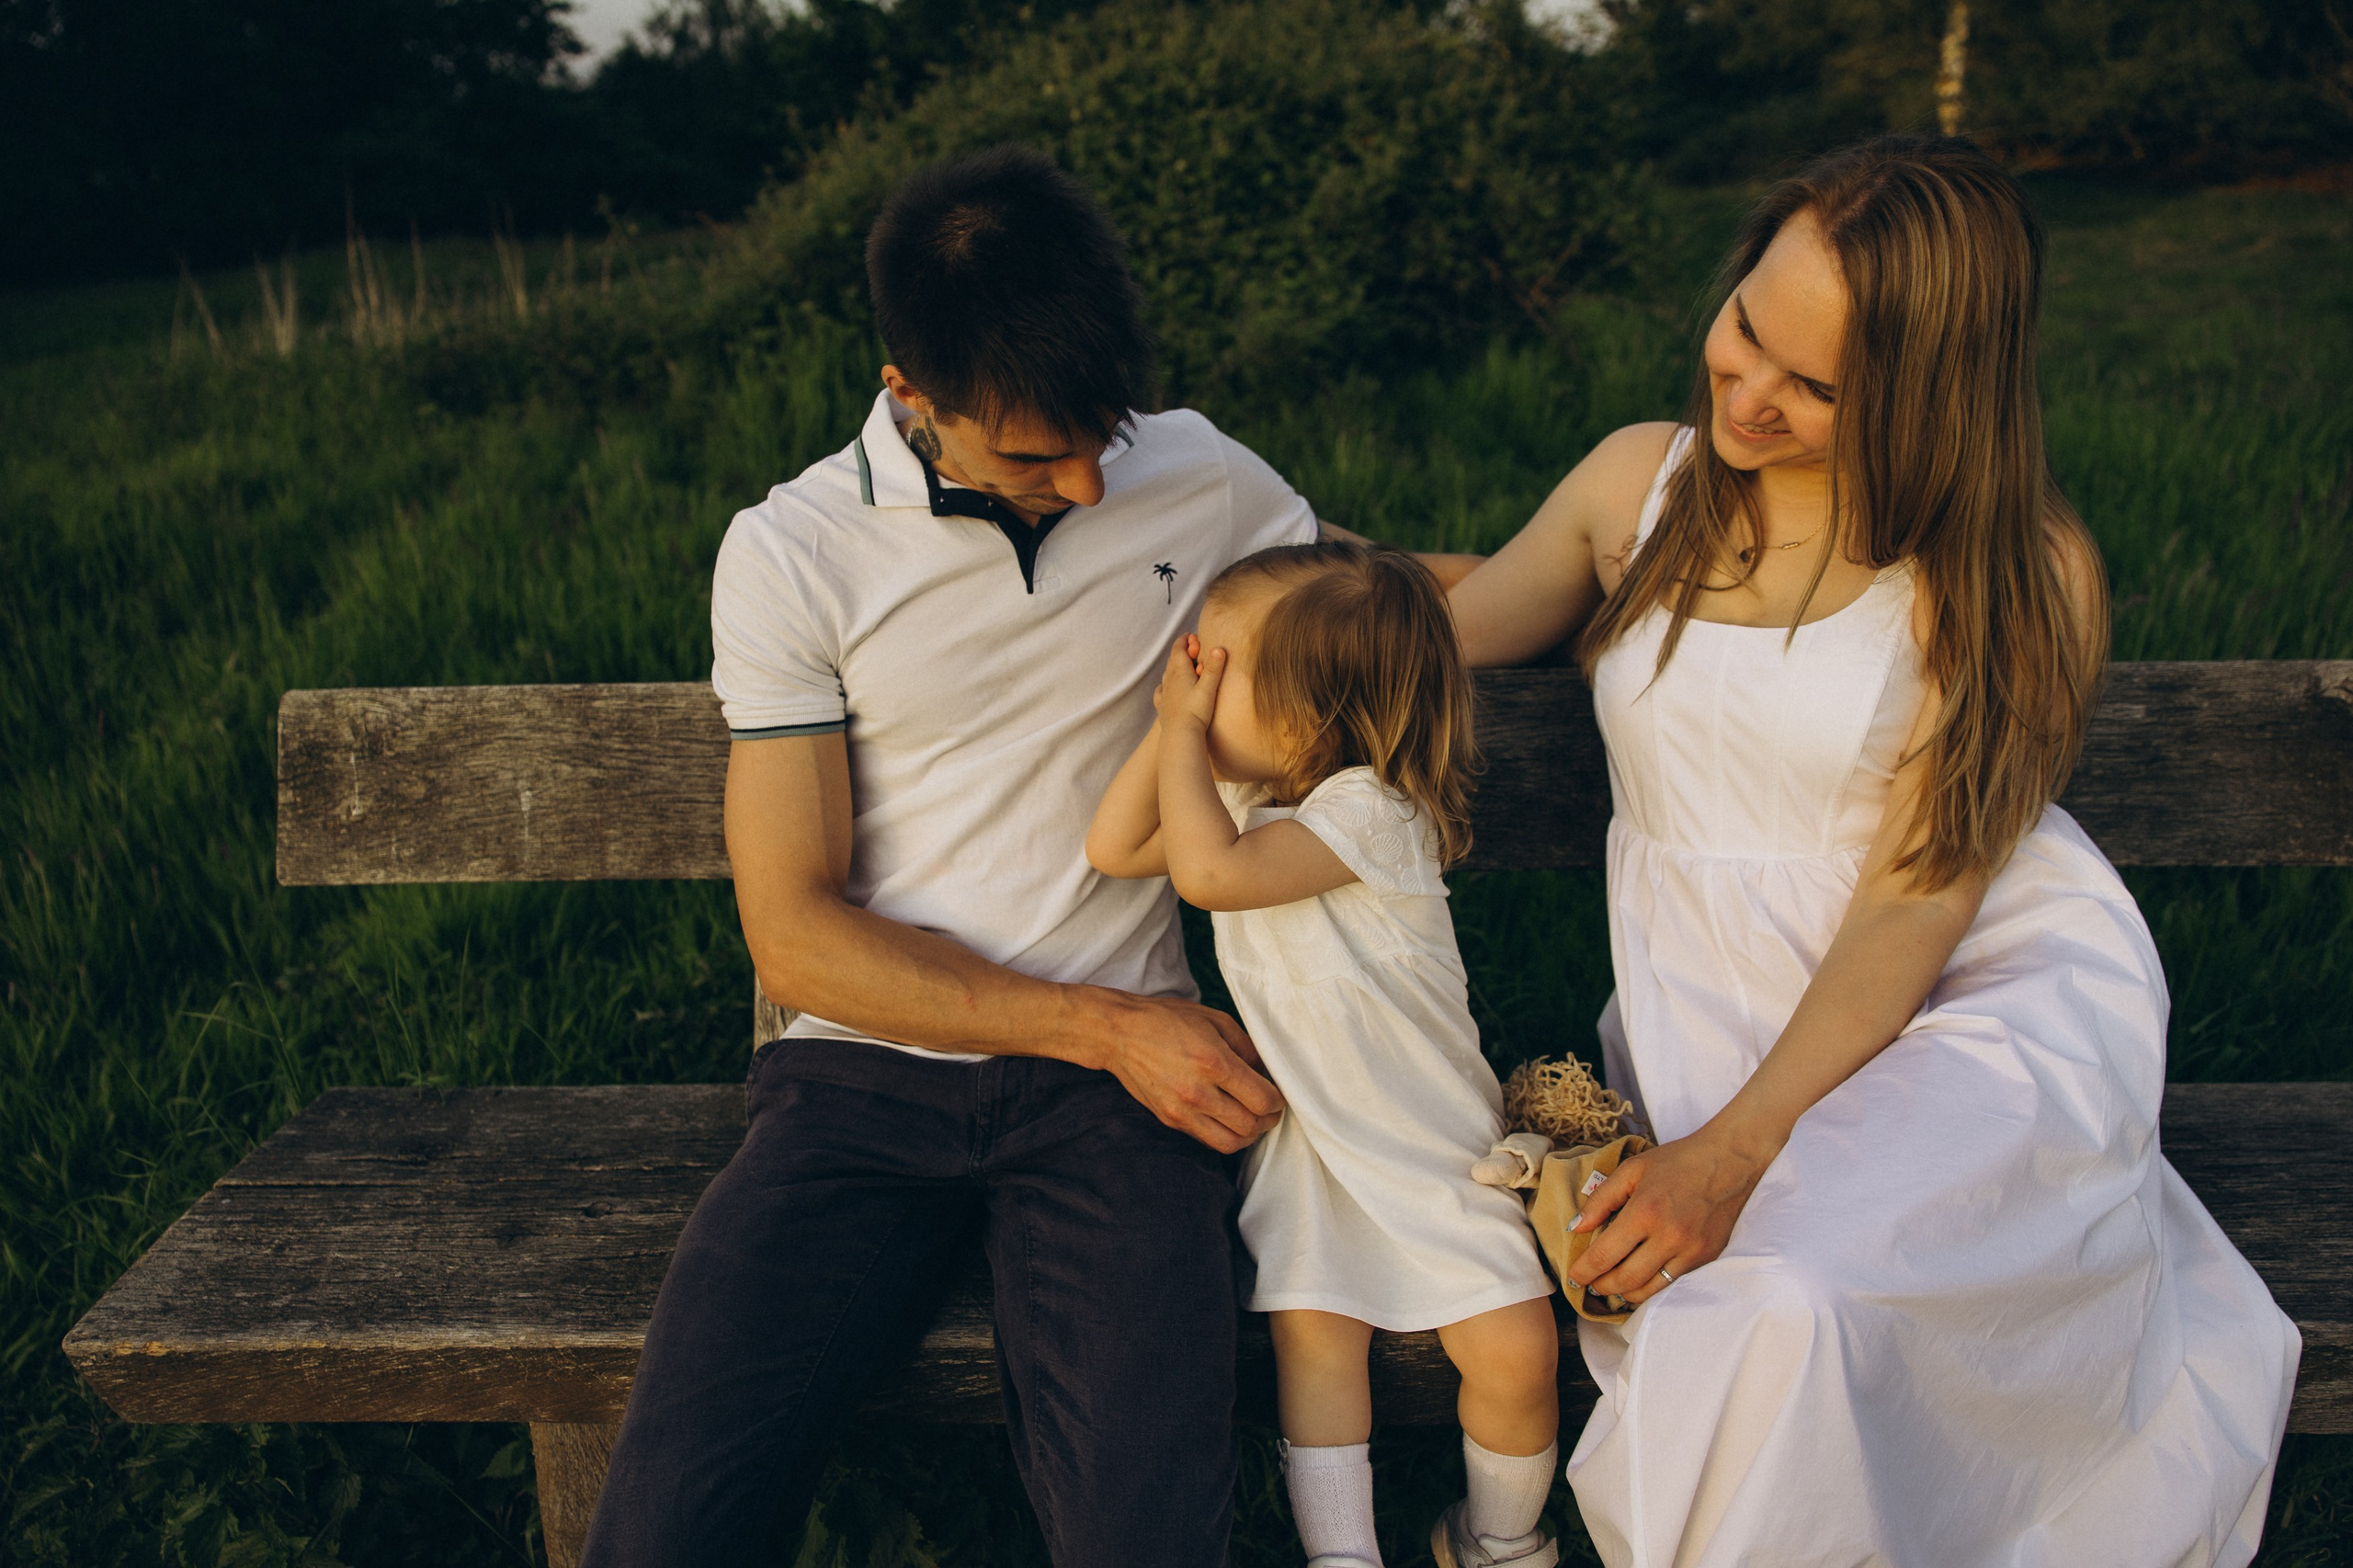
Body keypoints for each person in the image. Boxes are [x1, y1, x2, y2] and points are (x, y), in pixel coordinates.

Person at [1444, 136, 2298, 1566]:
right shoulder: (1636, 492)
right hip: (1719, 1006)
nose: (1747, 392)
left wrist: (1730, 1151)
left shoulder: (2010, 569)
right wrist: (1248, 546)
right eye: (1744, 330)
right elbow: (1441, 626)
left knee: (1795, 1298)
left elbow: (1918, 902)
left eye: (1816, 387)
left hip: (1964, 1002)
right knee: (1758, 1312)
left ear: (1931, 395)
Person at [580, 145, 1328, 1568]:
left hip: (1117, 1111)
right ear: (908, 393)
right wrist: (1109, 1026)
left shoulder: (1201, 476)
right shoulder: (793, 551)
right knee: (663, 1531)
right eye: (1040, 452)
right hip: (862, 1079)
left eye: (1106, 429)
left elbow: (1376, 602)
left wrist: (1638, 559)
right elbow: (794, 934)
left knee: (1147, 1539)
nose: (1097, 482)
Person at [1087, 541, 1563, 1568]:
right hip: (1312, 1140)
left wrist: (1182, 731)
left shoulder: (1373, 812)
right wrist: (1180, 728)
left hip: (1427, 1134)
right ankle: (1341, 1553)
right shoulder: (1249, 806)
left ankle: (1498, 1535)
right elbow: (1115, 850)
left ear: (1308, 717)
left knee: (1515, 1345)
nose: (1195, 682)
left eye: (1219, 668)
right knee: (1317, 1340)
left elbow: (1206, 875)